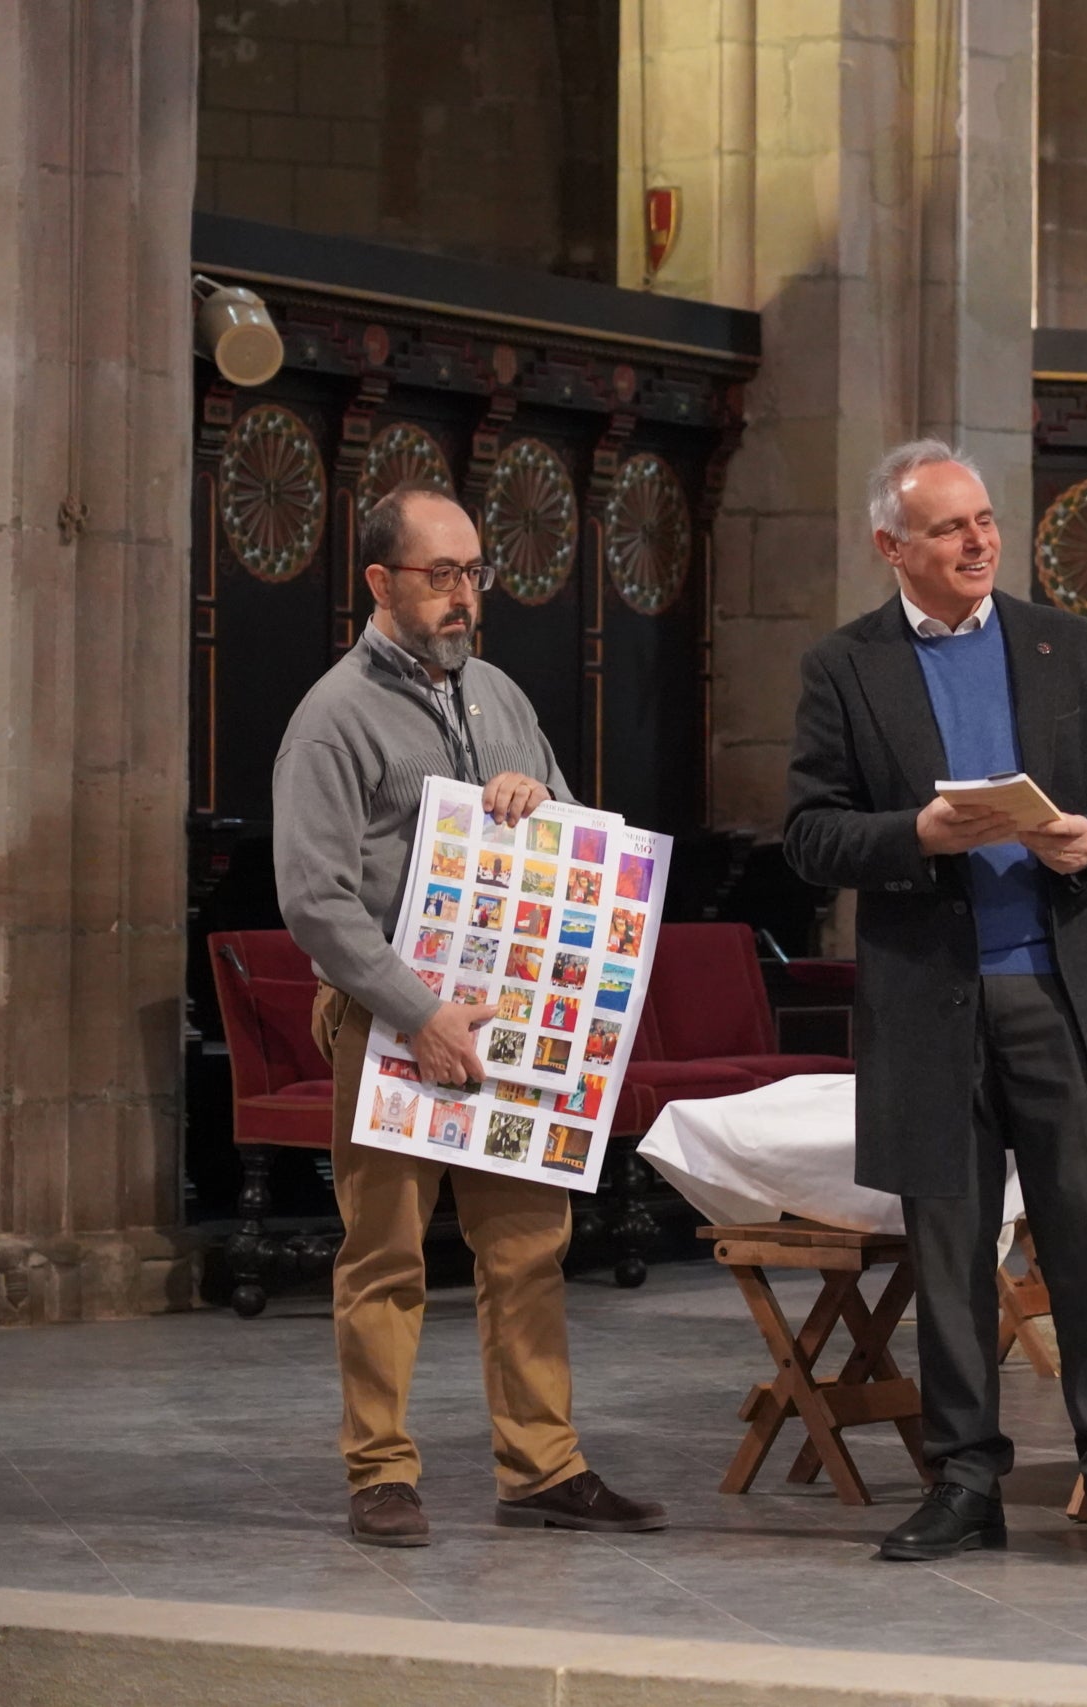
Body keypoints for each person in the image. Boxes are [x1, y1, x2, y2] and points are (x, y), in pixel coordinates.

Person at [785, 440, 1087, 1568]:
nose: (978, 541)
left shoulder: (1071, 645)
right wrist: (912, 834)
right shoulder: (844, 668)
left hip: (1063, 992)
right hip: (931, 1003)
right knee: (949, 1253)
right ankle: (962, 1481)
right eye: (951, 528)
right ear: (891, 547)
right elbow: (810, 833)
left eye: (985, 522)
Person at [273, 484, 666, 1548]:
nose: (462, 599)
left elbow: (580, 833)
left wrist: (547, 807)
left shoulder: (498, 693)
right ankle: (380, 1474)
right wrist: (416, 1011)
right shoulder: (334, 715)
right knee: (386, 1254)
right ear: (379, 582)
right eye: (439, 575)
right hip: (387, 1018)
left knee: (530, 1244)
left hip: (501, 1016)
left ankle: (542, 1465)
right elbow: (312, 899)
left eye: (473, 575)